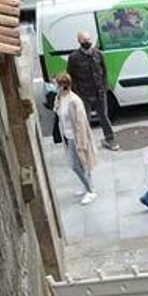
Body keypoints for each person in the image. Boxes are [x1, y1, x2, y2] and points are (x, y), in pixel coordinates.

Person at [67, 30, 118, 149]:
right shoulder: (74, 57)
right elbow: (71, 75)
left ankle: (109, 139)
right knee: (84, 120)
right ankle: (86, 143)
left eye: (89, 39)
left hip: (99, 92)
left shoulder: (97, 53)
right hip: (84, 94)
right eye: (85, 41)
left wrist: (104, 86)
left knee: (104, 116)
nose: (88, 42)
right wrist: (77, 92)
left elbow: (104, 70)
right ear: (79, 41)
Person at [53, 73, 98, 205]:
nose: (54, 86)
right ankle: (87, 186)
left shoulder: (74, 101)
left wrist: (81, 142)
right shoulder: (60, 98)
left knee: (76, 165)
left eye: (56, 84)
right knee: (81, 164)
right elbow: (58, 113)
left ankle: (91, 190)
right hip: (67, 136)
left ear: (63, 86)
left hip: (76, 138)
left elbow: (81, 123)